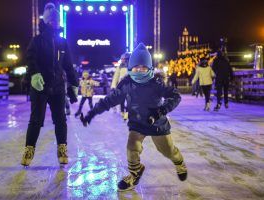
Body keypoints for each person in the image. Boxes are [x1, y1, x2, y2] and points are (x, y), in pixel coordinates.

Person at [80, 43, 187, 191]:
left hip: (157, 123)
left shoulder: (156, 83)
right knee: (132, 148)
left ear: (149, 68)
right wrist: (92, 113)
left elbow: (175, 96)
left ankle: (179, 162)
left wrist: (161, 111)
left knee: (167, 151)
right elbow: (110, 100)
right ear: (130, 68)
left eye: (143, 67)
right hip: (137, 123)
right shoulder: (127, 84)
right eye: (136, 67)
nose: (139, 70)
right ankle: (135, 173)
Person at [21, 2, 79, 166]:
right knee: (36, 120)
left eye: (56, 20)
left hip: (58, 86)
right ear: (46, 21)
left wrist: (73, 82)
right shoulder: (37, 40)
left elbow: (68, 64)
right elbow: (31, 59)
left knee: (60, 119)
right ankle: (29, 149)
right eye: (51, 20)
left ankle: (62, 149)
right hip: (40, 86)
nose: (55, 22)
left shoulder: (62, 42)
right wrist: (34, 74)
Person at [111, 52, 131, 120]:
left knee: (129, 100)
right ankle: (122, 111)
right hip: (121, 86)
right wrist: (113, 86)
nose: (122, 60)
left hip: (130, 86)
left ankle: (127, 112)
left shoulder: (132, 66)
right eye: (121, 59)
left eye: (124, 59)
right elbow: (116, 77)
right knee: (122, 99)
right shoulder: (120, 67)